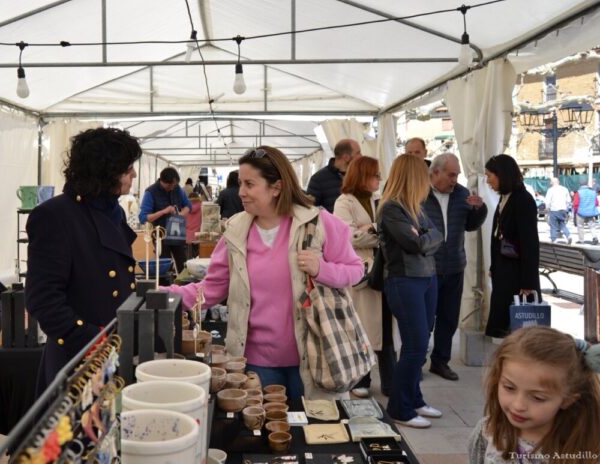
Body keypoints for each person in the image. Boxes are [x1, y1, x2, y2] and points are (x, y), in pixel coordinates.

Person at [163, 145, 364, 400]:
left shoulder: (319, 224)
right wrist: (164, 295)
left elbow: (356, 271)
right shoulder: (236, 231)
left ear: (276, 187)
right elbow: (212, 289)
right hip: (257, 362)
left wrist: (321, 269)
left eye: (249, 184)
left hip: (316, 358)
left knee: (314, 431)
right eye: (241, 184)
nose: (241, 192)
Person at [25, 128, 141, 394]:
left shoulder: (113, 211)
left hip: (112, 351)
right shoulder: (55, 216)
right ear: (106, 169)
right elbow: (43, 299)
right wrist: (93, 339)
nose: (133, 174)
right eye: (127, 167)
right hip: (79, 359)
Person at [377, 154, 443, 428]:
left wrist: (424, 236)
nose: (429, 181)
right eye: (424, 175)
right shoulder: (391, 208)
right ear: (414, 177)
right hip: (405, 281)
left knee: (419, 345)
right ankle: (400, 408)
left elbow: (438, 235)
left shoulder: (413, 207)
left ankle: (414, 398)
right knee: (415, 346)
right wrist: (425, 237)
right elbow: (414, 244)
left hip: (425, 279)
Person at [468, 326, 600, 464]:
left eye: (538, 398)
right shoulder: (488, 432)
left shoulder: (586, 446)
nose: (518, 405)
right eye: (509, 387)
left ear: (567, 400)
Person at [333, 156, 396, 398]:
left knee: (386, 327)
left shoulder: (379, 199)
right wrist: (374, 229)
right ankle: (361, 379)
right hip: (361, 272)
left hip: (383, 270)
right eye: (376, 175)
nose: (379, 179)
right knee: (361, 328)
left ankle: (390, 381)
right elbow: (347, 237)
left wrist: (366, 229)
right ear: (363, 175)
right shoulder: (344, 202)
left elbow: (386, 231)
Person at [423, 154, 488, 381]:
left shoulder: (462, 194)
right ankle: (418, 360)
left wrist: (479, 210)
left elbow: (471, 226)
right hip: (427, 268)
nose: (455, 179)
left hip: (455, 266)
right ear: (435, 173)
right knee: (425, 319)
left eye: (457, 174)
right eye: (451, 174)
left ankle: (440, 362)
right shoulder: (420, 194)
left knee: (449, 318)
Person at [484, 154, 540, 339]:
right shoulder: (505, 198)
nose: (487, 180)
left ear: (502, 175)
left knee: (514, 329)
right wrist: (494, 266)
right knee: (501, 323)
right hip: (504, 270)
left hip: (517, 275)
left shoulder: (523, 200)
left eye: (490, 176)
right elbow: (498, 235)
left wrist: (528, 282)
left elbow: (530, 243)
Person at [139, 167, 192, 273]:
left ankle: (184, 287)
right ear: (162, 181)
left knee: (182, 262)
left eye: (174, 185)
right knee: (164, 266)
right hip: (160, 234)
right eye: (169, 185)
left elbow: (188, 205)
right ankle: (165, 288)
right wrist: (163, 211)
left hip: (177, 231)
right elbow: (143, 217)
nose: (172, 188)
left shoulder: (177, 189)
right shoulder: (151, 192)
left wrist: (180, 214)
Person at [306, 138, 361, 212]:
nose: (361, 156)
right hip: (332, 223)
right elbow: (311, 210)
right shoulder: (318, 179)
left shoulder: (360, 176)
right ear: (346, 157)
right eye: (358, 153)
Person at [544, 177, 572, 244]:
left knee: (553, 225)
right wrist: (566, 208)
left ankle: (554, 239)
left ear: (552, 183)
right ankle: (568, 235)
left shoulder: (550, 190)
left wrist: (547, 209)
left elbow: (547, 201)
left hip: (554, 209)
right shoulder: (565, 189)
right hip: (563, 209)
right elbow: (569, 200)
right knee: (562, 224)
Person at [573, 180, 598, 244]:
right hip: (591, 212)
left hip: (581, 212)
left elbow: (576, 204)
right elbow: (596, 203)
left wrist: (576, 212)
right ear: (587, 184)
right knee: (592, 226)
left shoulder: (578, 193)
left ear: (580, 185)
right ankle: (595, 237)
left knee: (580, 226)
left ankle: (581, 240)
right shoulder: (593, 192)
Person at [186, 191, 202, 259]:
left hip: (187, 235)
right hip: (198, 235)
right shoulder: (202, 206)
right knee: (198, 255)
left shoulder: (186, 208)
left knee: (188, 255)